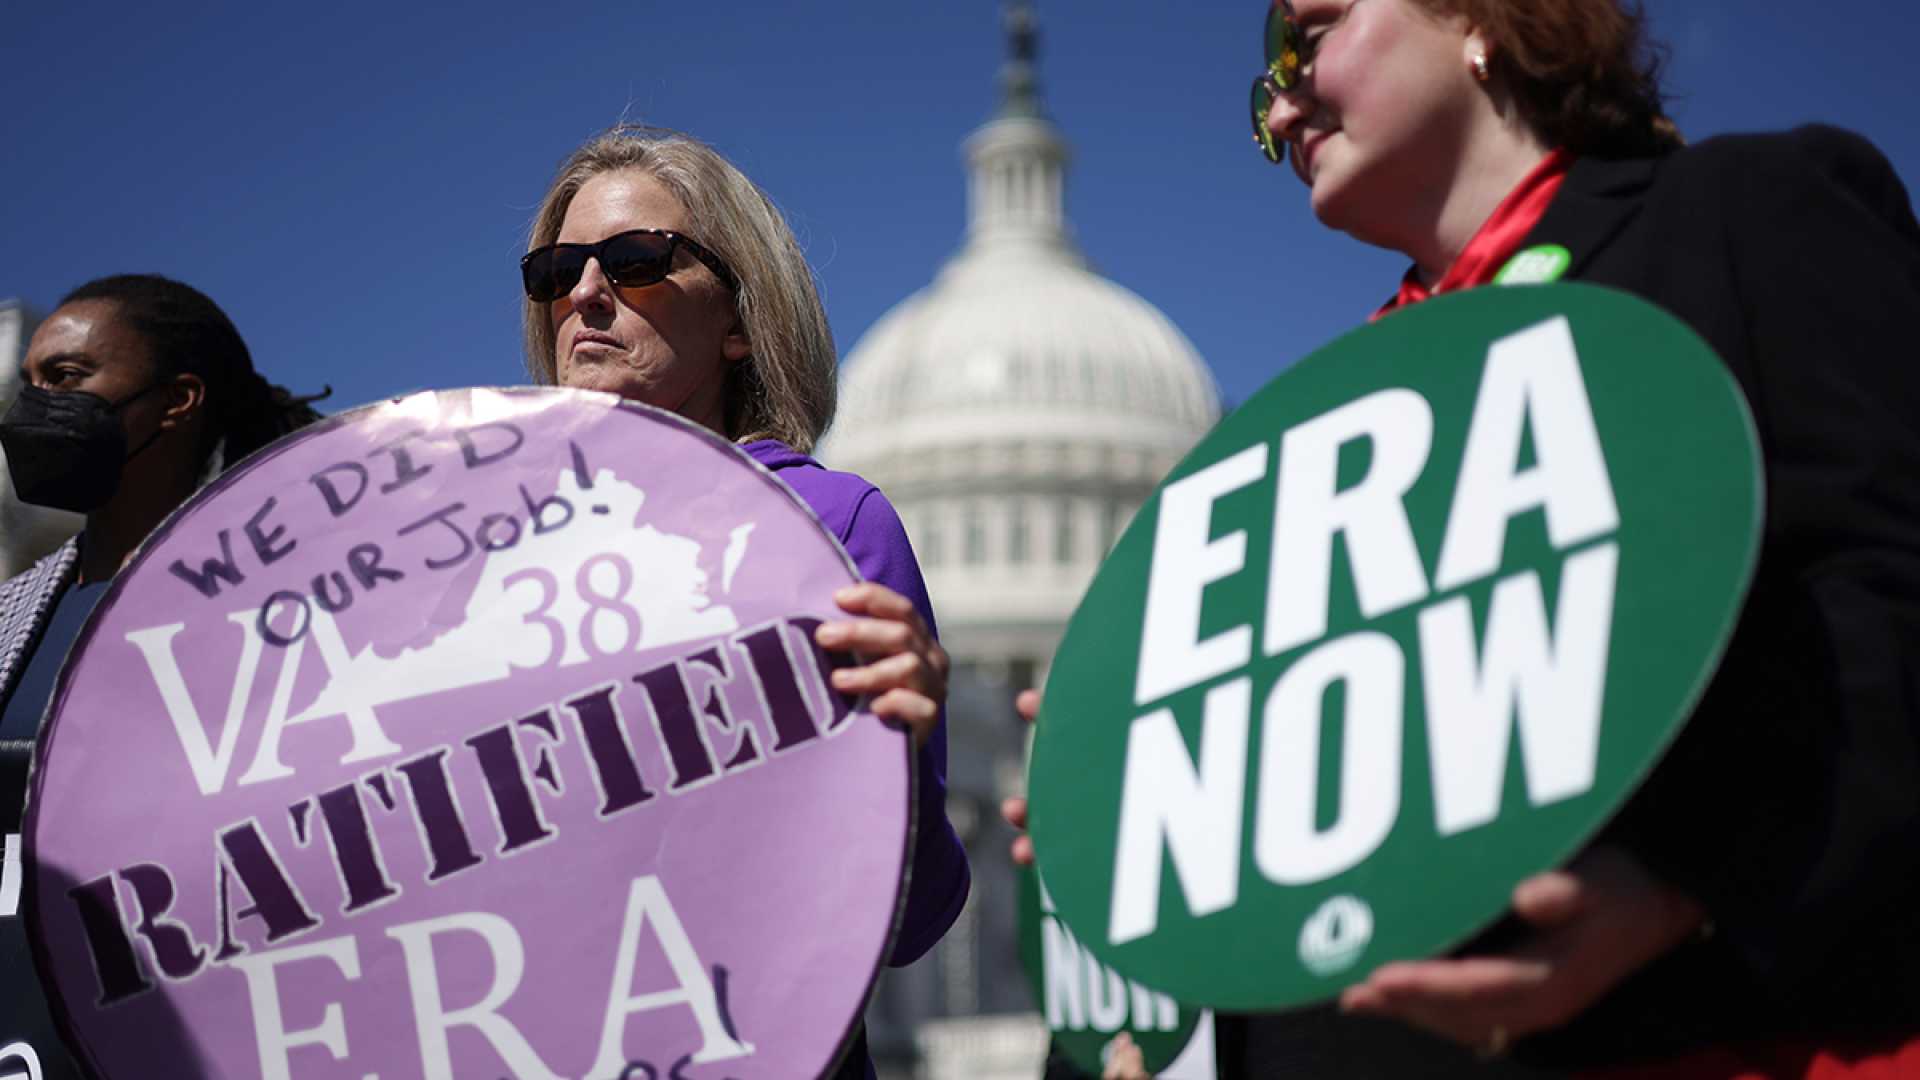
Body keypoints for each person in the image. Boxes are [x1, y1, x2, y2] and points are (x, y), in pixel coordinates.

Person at [1014, 0, 1920, 1074]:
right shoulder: (1318, 430)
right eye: (1265, 86)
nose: (1279, 96)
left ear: (1482, 19)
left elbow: (1886, 604)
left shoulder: (1743, 215)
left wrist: (1695, 890)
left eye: (1308, 32)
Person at [520, 124, 971, 1079]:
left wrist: (907, 750)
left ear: (738, 323)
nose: (587, 294)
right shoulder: (493, 556)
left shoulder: (825, 522)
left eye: (638, 262)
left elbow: (909, 918)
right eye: (558, 271)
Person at [0, 273, 325, 1079]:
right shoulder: (13, 620)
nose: (32, 410)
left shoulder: (292, 609)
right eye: (28, 384)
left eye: (68, 381)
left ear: (177, 400)